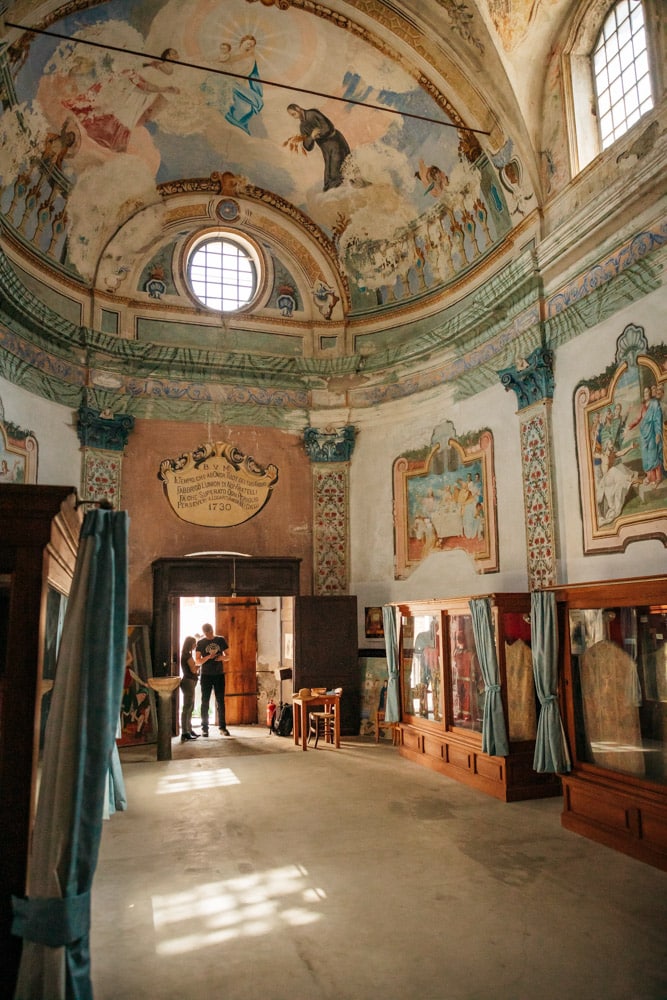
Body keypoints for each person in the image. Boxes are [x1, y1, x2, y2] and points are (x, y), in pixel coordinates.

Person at [285, 103, 351, 191]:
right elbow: (307, 147)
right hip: (325, 149)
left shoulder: (312, 113)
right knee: (328, 179)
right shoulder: (302, 126)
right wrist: (311, 136)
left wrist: (317, 135)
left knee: (337, 173)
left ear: (298, 108)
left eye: (294, 114)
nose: (294, 117)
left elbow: (329, 127)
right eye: (292, 116)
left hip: (336, 142)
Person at [195, 623, 230, 737]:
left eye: (210, 632)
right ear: (204, 633)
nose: (209, 635)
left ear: (212, 630)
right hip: (206, 675)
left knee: (220, 701)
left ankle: (223, 727)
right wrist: (208, 657)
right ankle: (204, 728)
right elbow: (198, 661)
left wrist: (221, 658)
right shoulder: (200, 643)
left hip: (219, 674)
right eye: (207, 633)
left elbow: (229, 656)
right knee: (205, 701)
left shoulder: (220, 640)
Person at [179, 635, 200, 742]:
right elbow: (193, 670)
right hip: (189, 681)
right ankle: (185, 732)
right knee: (187, 707)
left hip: (190, 681)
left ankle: (189, 729)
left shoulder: (187, 655)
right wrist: (199, 664)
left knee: (190, 707)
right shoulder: (187, 656)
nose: (195, 645)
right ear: (190, 644)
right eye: (194, 643)